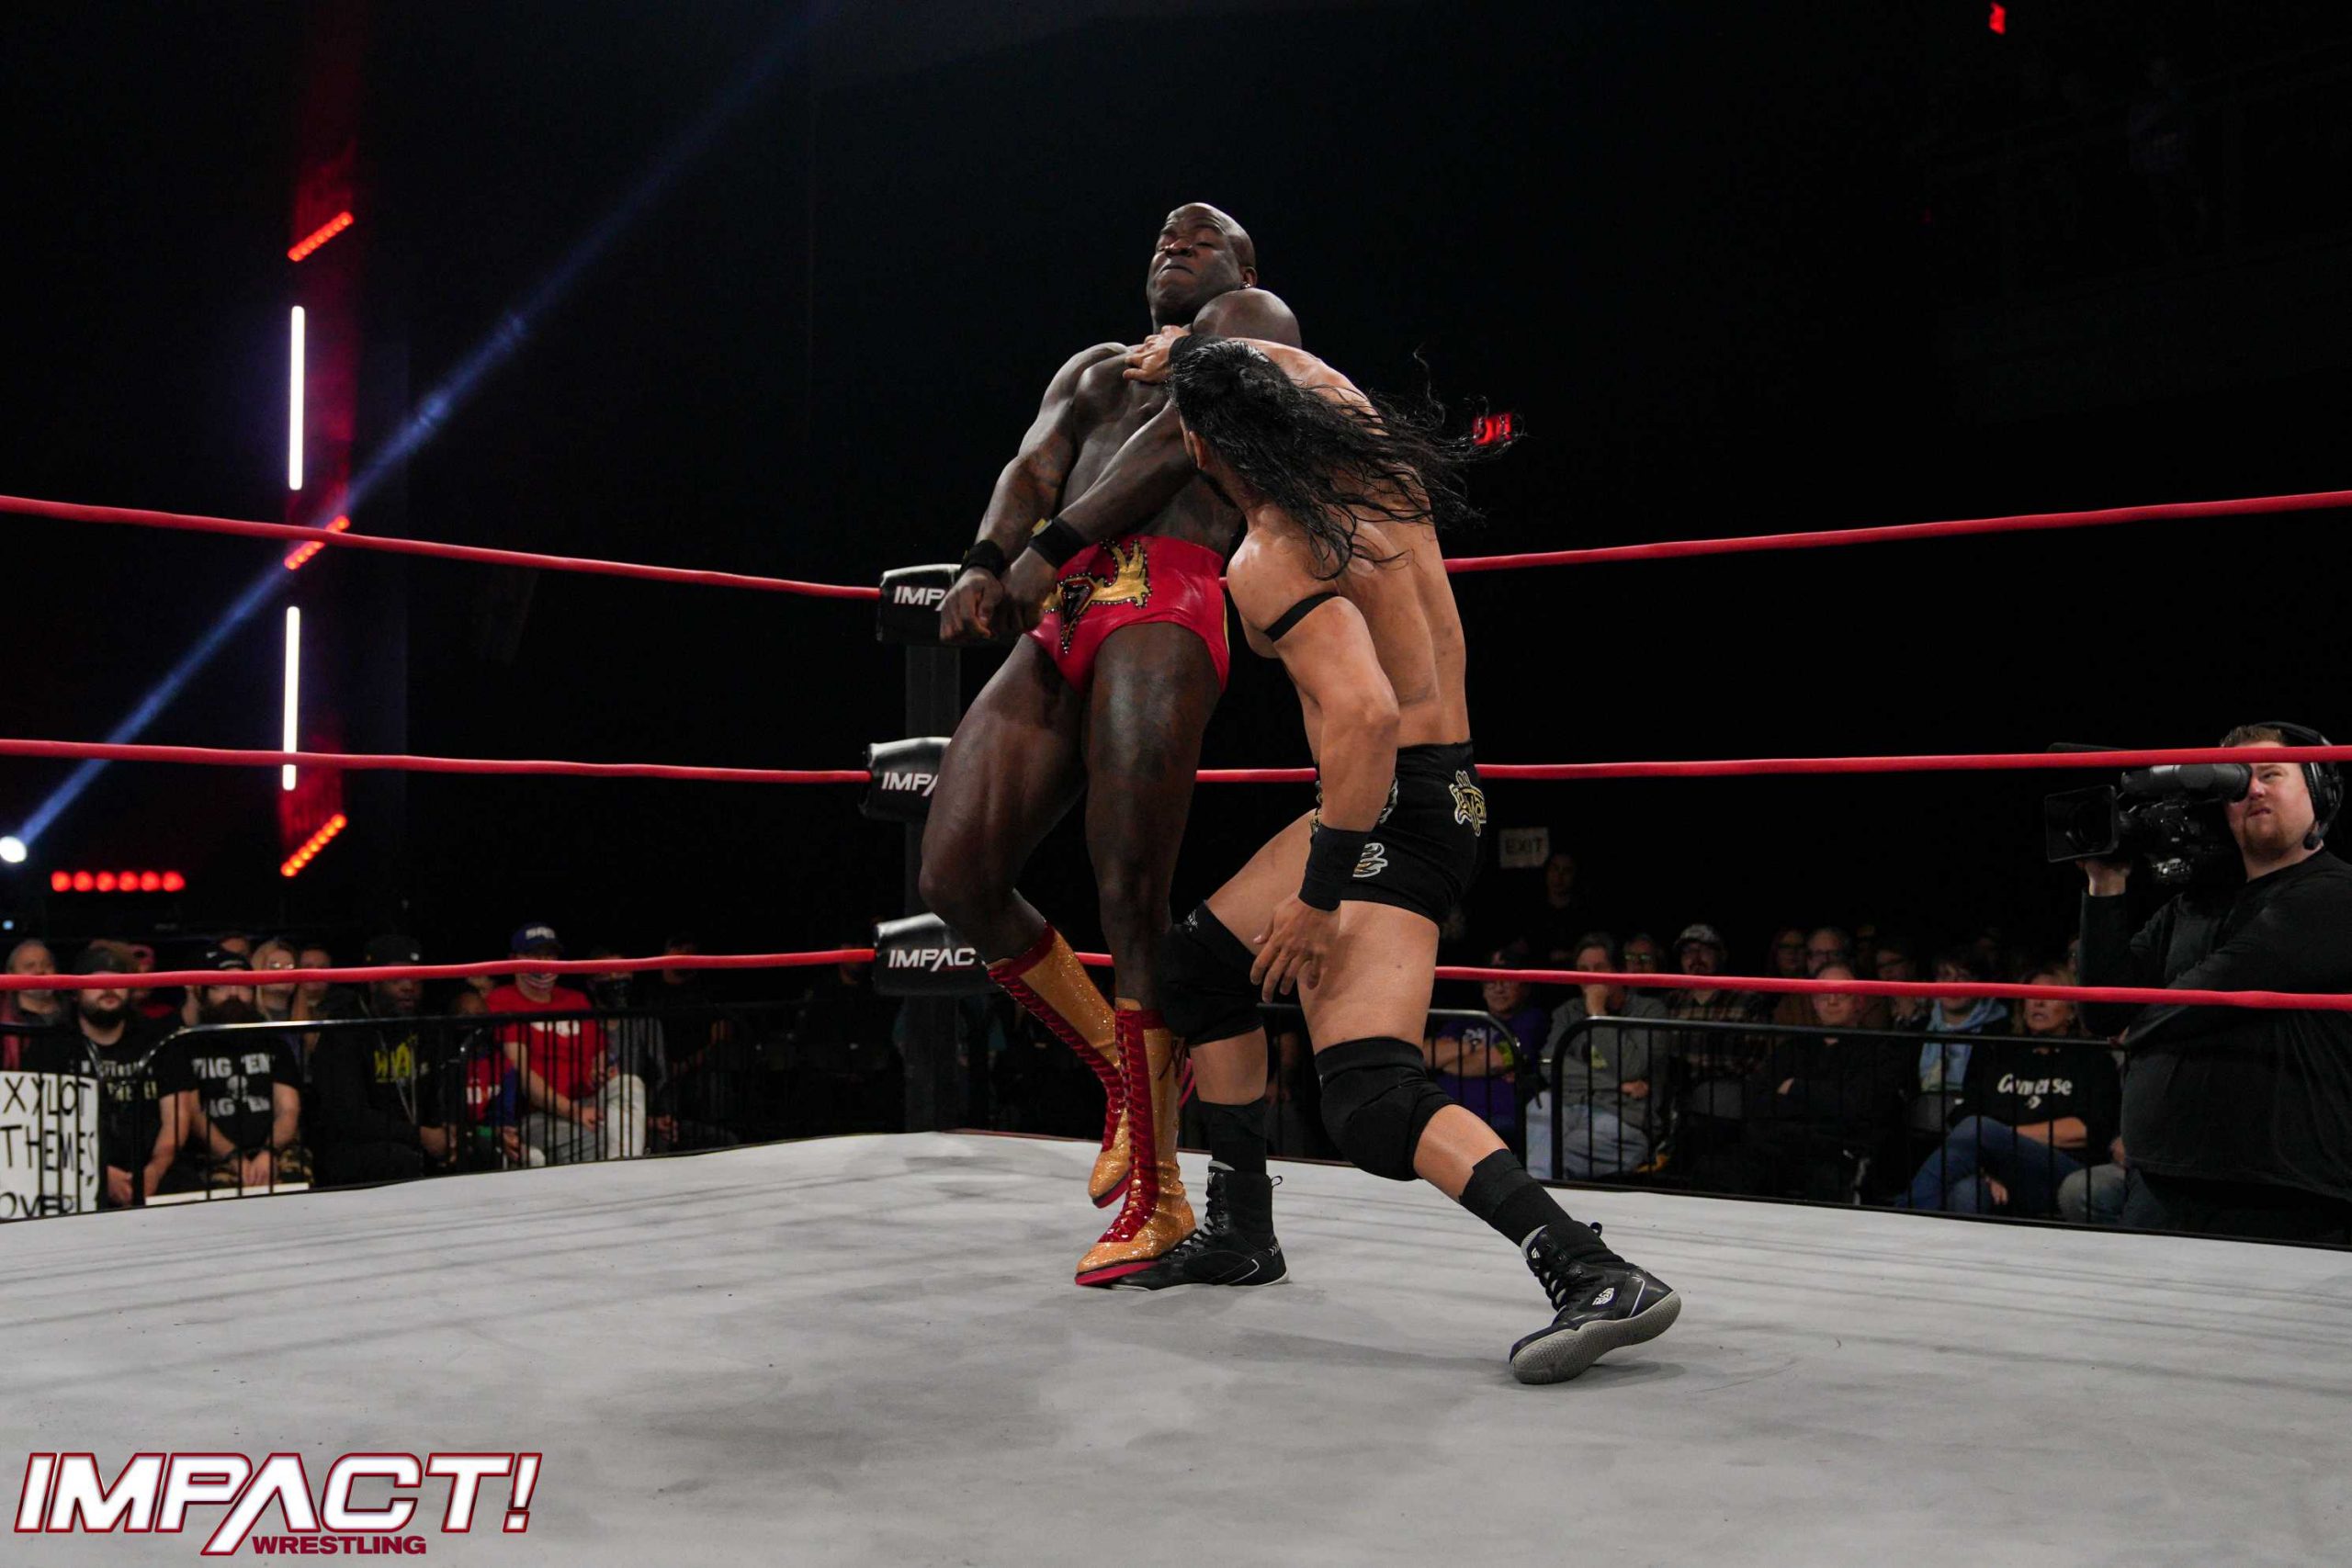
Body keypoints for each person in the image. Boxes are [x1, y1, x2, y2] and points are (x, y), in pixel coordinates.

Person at [1124, 331, 1678, 1382]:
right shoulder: (1374, 469)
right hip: (1426, 786)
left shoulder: (1270, 552)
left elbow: (1366, 718)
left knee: (1369, 1094)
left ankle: (1589, 1268)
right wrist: (1198, 348)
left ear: (1201, 447)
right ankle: (1243, 1231)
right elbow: (1314, 374)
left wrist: (1319, 898)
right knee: (1197, 969)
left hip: (1389, 807)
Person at [921, 202, 1306, 1281]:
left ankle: (1162, 1197)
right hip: (1064, 608)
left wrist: (1045, 548)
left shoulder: (1253, 322)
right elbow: (1034, 464)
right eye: (1162, 237)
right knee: (954, 872)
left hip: (1165, 592)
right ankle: (1127, 1072)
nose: (1173, 242)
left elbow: (1183, 437)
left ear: (1242, 266)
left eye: (1201, 236)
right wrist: (983, 560)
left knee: (1129, 887)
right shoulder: (1094, 367)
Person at [2079, 723, 2352, 1240]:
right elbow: (2101, 1008)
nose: (2253, 790)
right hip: (2161, 1183)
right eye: (2236, 781)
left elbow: (2222, 987)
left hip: (2284, 1194)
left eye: (2272, 774)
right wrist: (2105, 882)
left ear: (2319, 790)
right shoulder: (2195, 904)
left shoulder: (2336, 894)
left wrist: (2138, 1027)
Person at [1897, 967, 2120, 1217]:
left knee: (1979, 1130)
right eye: (2031, 995)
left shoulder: (2092, 1060)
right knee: (1967, 1191)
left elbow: (2087, 1130)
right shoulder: (2000, 1053)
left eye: (2050, 995)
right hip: (2001, 1169)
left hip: (2062, 1170)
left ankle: (1905, 1213)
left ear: (2072, 1011)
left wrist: (1997, 1139)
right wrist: (1985, 1165)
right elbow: (1964, 1114)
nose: (2038, 1002)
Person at [22, 947, 187, 1206]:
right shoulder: (50, 1047)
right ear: (76, 992)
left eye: (117, 981)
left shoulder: (158, 1039)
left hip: (157, 1171)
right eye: (96, 982)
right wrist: (100, 1172)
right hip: (75, 1173)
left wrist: (155, 1169)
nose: (109, 989)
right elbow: (39, 1123)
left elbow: (177, 1116)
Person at [1733, 964, 1909, 1201]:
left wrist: (1795, 1088)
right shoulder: (1795, 1047)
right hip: (1783, 1146)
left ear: (1859, 1001)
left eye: (1842, 994)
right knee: (1734, 1164)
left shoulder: (1879, 1050)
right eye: (1824, 994)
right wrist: (1823, 1103)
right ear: (1814, 1002)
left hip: (1837, 1153)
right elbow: (1757, 1097)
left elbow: (1858, 1107)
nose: (1832, 1001)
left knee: (1828, 1178)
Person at [310, 935, 468, 1186]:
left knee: (476, 1146)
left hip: (416, 1137)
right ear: (373, 981)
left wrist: (450, 1129)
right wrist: (420, 1136)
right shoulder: (345, 1028)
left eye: (416, 977)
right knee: (398, 1159)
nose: (409, 986)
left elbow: (444, 1089)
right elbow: (349, 1115)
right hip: (357, 1145)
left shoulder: (427, 1027)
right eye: (397, 977)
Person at [488, 922, 648, 1164]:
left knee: (630, 1084)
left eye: (550, 954)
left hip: (586, 1100)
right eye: (535, 954)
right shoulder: (502, 1000)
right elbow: (523, 1074)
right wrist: (574, 1112)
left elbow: (600, 1051)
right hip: (538, 1115)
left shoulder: (575, 1000)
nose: (544, 961)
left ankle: (623, 1165)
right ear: (514, 959)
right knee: (596, 1140)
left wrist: (600, 1069)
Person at [1533, 935, 1671, 1180]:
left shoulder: (1649, 1011)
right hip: (1571, 1104)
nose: (1590, 977)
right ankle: (1534, 1198)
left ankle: (1533, 1198)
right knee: (1540, 1106)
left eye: (1599, 968)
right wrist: (1616, 1085)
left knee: (1556, 1152)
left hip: (1622, 1116)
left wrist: (1597, 1013)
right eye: (1583, 969)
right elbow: (1551, 1065)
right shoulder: (1567, 1012)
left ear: (1619, 971)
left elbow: (1632, 1069)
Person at [175, 949, 304, 1190]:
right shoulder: (187, 1046)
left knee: (295, 1184)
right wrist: (233, 1157)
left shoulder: (273, 1042)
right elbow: (193, 1114)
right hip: (211, 1154)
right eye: (222, 985)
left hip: (273, 1148)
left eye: (243, 985)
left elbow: (288, 1108)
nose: (234, 993)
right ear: (204, 992)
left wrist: (269, 1151)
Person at [1428, 954, 1544, 1151]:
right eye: (1491, 981)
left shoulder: (1531, 1020)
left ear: (1525, 988)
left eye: (1507, 980)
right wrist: (1473, 1047)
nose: (1498, 988)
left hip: (1496, 1118)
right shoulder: (1467, 1019)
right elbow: (1426, 1054)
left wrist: (1447, 1061)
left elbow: (1496, 1061)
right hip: (1443, 1112)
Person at [1, 938, 64, 1071]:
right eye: (29, 966)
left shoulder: (74, 1015)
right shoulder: (3, 1018)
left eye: (47, 965)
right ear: (10, 975)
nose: (40, 971)